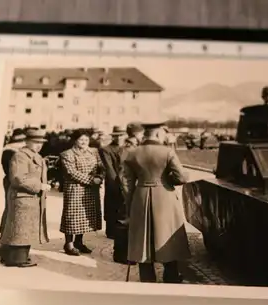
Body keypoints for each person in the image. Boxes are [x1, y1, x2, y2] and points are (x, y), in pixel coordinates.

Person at [122, 117, 191, 283]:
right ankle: (171, 276)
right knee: (167, 235)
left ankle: (147, 279)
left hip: (141, 196)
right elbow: (181, 177)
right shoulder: (167, 152)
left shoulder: (132, 153)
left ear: (144, 133)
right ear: (159, 132)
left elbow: (126, 183)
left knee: (142, 238)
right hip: (165, 196)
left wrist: (129, 205)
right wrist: (169, 179)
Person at [0, 128, 51, 268]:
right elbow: (17, 178)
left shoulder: (36, 156)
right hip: (23, 197)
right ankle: (16, 259)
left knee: (24, 228)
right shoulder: (21, 156)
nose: (39, 145)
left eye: (41, 143)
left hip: (29, 198)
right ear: (27, 142)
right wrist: (39, 186)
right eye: (35, 142)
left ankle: (14, 257)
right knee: (20, 229)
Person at [60, 128, 105, 256]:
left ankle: (79, 242)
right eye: (81, 139)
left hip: (90, 190)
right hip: (75, 189)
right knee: (72, 216)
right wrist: (92, 180)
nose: (84, 142)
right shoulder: (67, 154)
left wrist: (100, 177)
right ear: (75, 140)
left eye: (86, 139)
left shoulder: (94, 152)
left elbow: (101, 167)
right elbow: (71, 172)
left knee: (85, 217)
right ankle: (68, 244)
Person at [0, 128, 27, 259]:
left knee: (11, 211)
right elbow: (12, 172)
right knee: (11, 211)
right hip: (12, 183)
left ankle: (6, 244)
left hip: (13, 182)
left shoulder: (11, 150)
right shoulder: (10, 151)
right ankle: (4, 245)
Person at [99, 126, 128, 240]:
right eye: (117, 136)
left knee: (124, 206)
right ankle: (110, 230)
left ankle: (122, 229)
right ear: (113, 137)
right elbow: (109, 168)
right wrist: (118, 183)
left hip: (126, 182)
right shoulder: (106, 149)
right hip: (113, 182)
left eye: (121, 135)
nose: (119, 138)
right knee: (112, 205)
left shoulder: (127, 149)